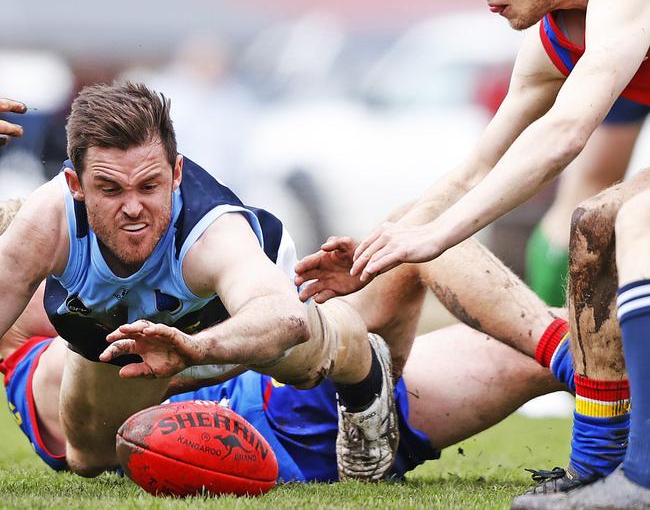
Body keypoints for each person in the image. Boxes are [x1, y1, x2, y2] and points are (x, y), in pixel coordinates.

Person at [288, 0, 650, 507]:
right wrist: (382, 250)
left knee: (625, 220)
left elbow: (568, 131)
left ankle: (638, 476)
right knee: (594, 223)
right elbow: (475, 167)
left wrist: (435, 238)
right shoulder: (552, 38)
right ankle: (601, 470)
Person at [0, 81, 398, 483]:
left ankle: (362, 359)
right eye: (110, 189)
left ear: (176, 173)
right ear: (75, 186)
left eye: (149, 186)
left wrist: (197, 348)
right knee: (88, 457)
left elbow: (283, 318)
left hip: (236, 327)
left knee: (307, 356)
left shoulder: (213, 233)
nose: (134, 208)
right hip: (132, 339)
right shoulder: (44, 223)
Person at [0, 199, 562, 483]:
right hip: (301, 420)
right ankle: (576, 363)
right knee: (421, 235)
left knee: (415, 234)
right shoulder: (42, 370)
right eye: (41, 273)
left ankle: (583, 360)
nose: (66, 278)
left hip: (312, 386)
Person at [524, 0, 650, 308]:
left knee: (588, 188)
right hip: (620, 3)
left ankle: (550, 331)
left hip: (616, 0)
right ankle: (552, 329)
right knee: (588, 187)